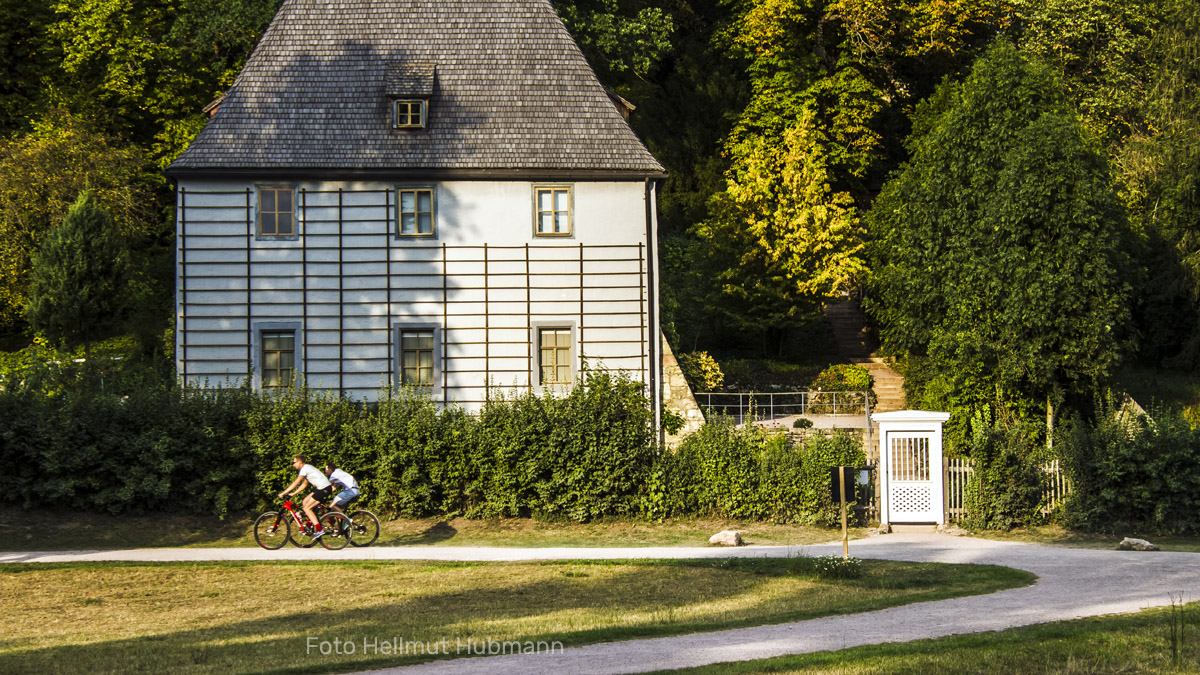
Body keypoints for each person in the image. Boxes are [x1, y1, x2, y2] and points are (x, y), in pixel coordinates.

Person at [278, 455, 333, 537]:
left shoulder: (305, 469)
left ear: (300, 462)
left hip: (323, 488)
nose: (293, 465)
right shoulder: (307, 468)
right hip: (322, 488)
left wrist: (283, 493)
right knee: (304, 502)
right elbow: (304, 484)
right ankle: (309, 524)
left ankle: (319, 530)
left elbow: (296, 482)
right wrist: (293, 493)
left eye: (294, 462)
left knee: (307, 508)